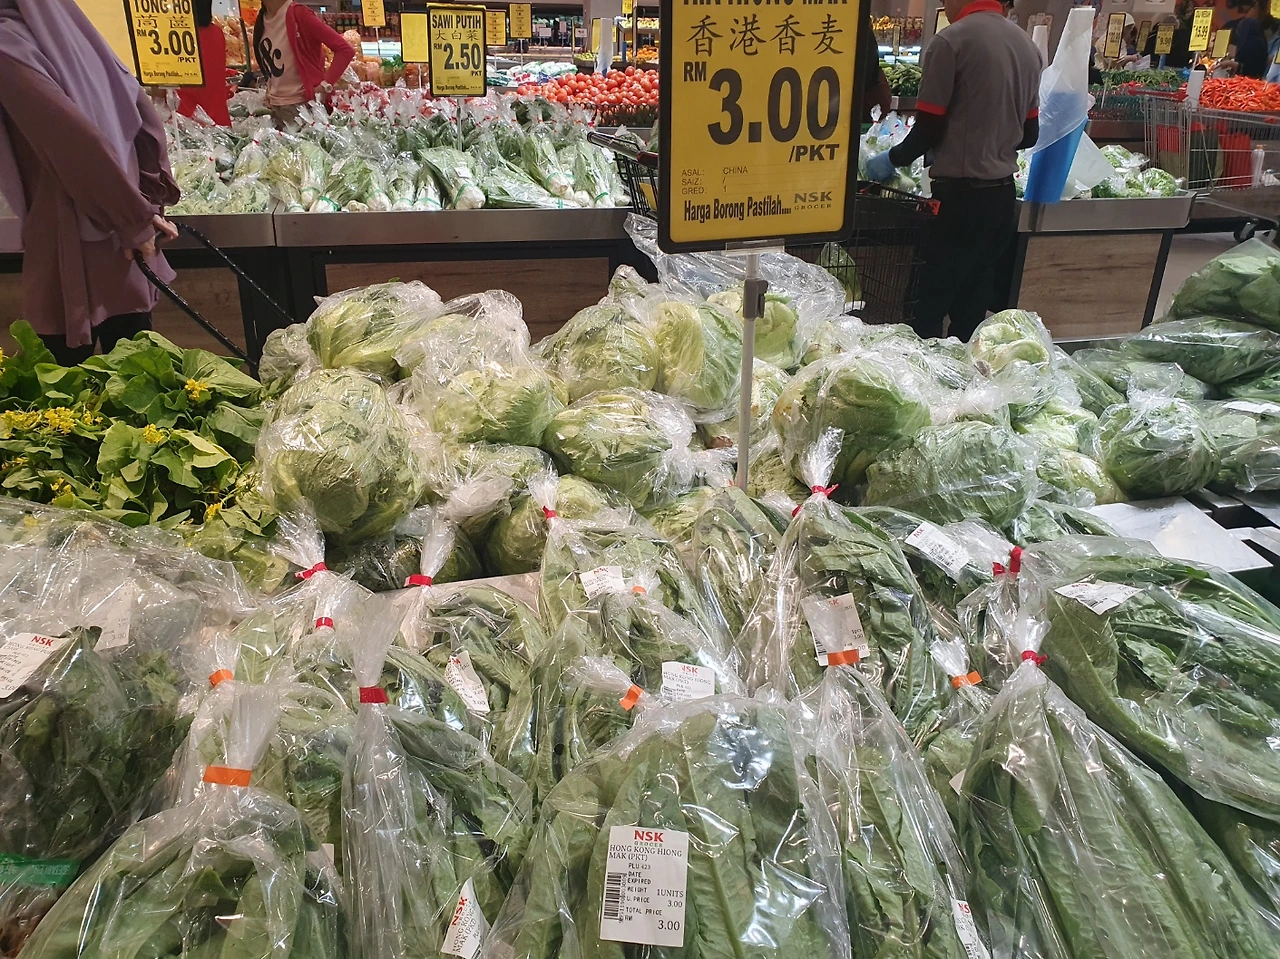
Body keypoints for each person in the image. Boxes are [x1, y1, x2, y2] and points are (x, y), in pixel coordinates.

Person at [0, 0, 180, 366]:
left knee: (68, 382)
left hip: (72, 236)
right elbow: (139, 107)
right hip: (119, 230)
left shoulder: (7, 44)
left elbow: (71, 139)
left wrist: (131, 220)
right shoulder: (66, 22)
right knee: (136, 373)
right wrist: (143, 199)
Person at [865, 0, 1042, 341]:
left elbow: (928, 129)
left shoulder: (950, 42)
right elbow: (1030, 133)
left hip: (959, 200)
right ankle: (965, 368)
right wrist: (993, 139)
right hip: (1001, 197)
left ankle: (926, 369)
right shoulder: (1027, 46)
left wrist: (891, 159)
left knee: (926, 304)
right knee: (973, 302)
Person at [252, 0, 355, 129]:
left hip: (302, 107)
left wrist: (326, 84)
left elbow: (345, 50)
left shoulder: (300, 14)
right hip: (274, 106)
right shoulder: (263, 19)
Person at [177, 0, 232, 126]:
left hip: (186, 124)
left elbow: (162, 90)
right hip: (219, 122)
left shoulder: (179, 35)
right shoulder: (217, 33)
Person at [1224, 0, 1269, 78]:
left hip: (1247, 78)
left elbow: (1252, 67)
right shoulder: (1251, 27)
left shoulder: (1249, 26)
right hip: (1254, 79)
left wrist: (1234, 64)